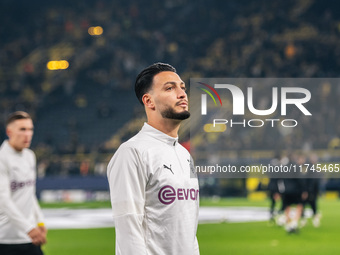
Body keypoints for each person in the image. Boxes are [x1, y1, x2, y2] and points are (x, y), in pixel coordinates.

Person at [107, 63, 199, 254]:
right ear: (149, 101)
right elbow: (128, 229)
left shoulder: (184, 155)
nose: (182, 94)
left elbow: (189, 232)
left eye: (182, 87)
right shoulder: (132, 152)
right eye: (170, 88)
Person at [0, 111, 47, 255]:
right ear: (9, 132)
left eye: (30, 129)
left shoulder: (29, 156)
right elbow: (3, 200)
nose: (28, 134)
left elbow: (29, 193)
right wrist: (29, 228)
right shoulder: (2, 158)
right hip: (6, 239)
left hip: (28, 237)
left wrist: (40, 221)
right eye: (22, 129)